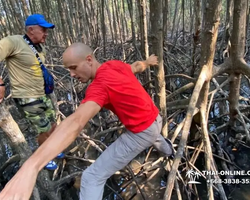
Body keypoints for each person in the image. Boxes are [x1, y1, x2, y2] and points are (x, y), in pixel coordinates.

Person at [0, 43, 174, 200]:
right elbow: (135, 67)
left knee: (91, 178)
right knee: (156, 135)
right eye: (68, 69)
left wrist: (31, 167)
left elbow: (76, 121)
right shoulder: (114, 64)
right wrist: (147, 61)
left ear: (89, 60)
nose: (72, 74)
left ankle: (167, 151)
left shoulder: (99, 86)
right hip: (155, 118)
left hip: (141, 133)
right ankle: (170, 153)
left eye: (74, 67)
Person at [0, 14, 64, 170]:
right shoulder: (13, 42)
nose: (46, 34)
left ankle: (53, 149)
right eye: (43, 30)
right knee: (44, 128)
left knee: (53, 124)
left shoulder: (38, 47)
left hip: (41, 94)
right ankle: (44, 157)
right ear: (31, 29)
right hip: (27, 97)